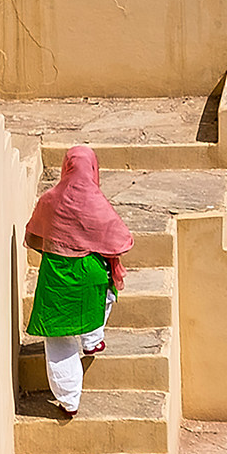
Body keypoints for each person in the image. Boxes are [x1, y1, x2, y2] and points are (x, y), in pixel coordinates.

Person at [25, 145, 134, 414]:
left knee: (58, 337)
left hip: (57, 277)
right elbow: (120, 239)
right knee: (102, 292)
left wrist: (62, 246)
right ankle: (92, 339)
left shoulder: (50, 200)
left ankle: (69, 400)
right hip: (91, 273)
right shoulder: (96, 202)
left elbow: (34, 237)